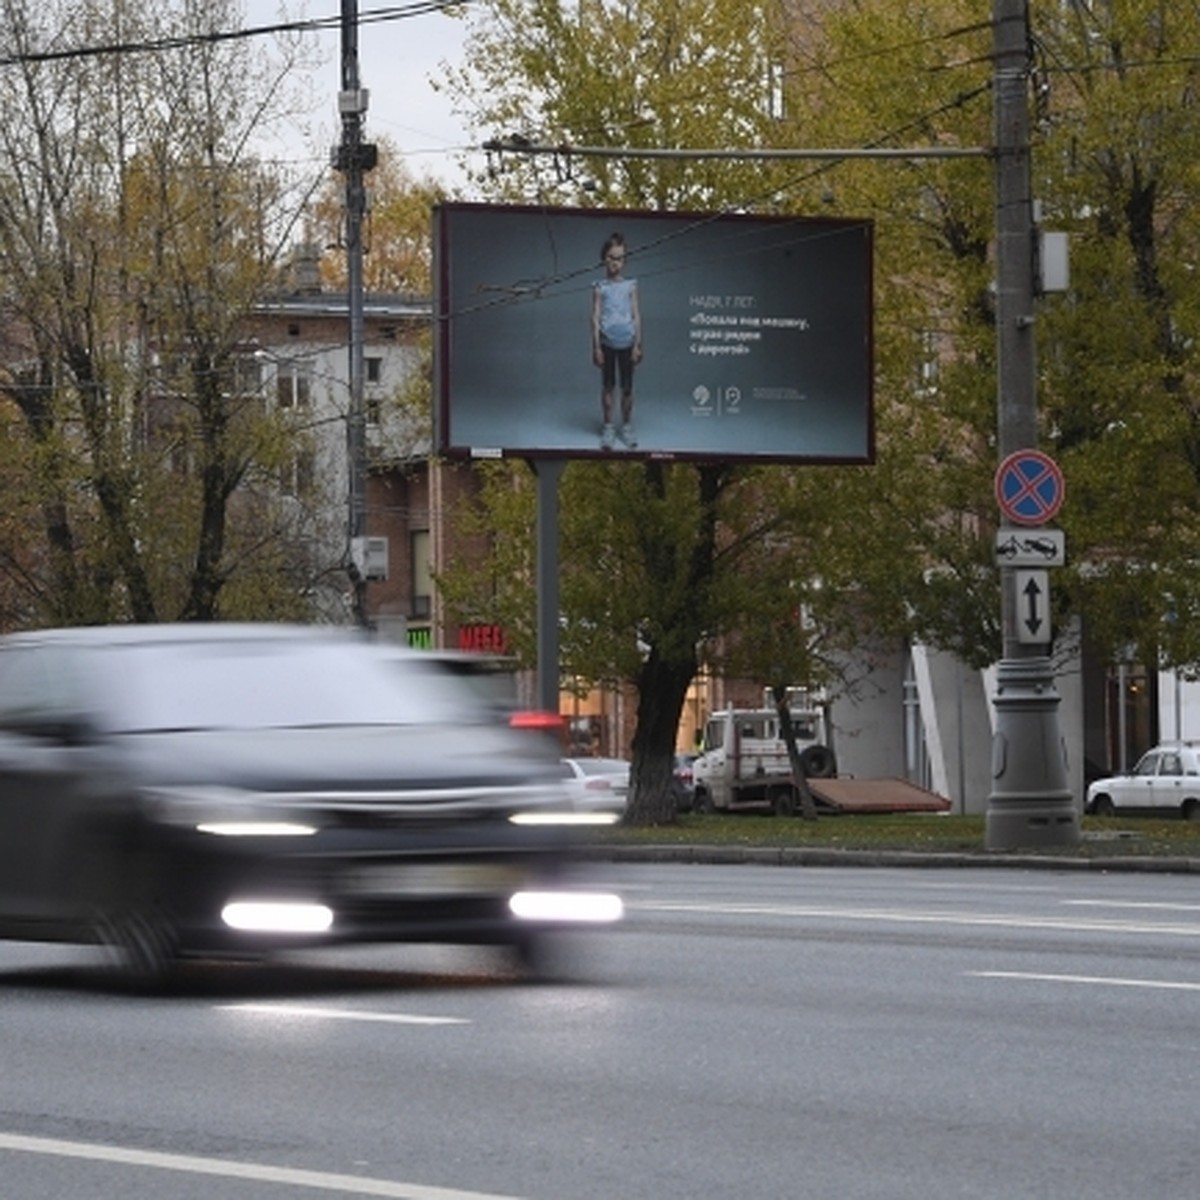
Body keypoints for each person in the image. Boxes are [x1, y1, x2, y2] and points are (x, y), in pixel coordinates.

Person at [592, 232, 642, 450]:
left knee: (628, 388)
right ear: (605, 258)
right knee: (608, 386)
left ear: (625, 260)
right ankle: (609, 427)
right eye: (612, 257)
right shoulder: (599, 287)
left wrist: (638, 344)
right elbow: (594, 317)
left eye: (620, 258)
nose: (616, 262)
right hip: (607, 344)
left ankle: (627, 426)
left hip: (627, 343)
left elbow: (636, 315)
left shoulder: (631, 285)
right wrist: (596, 347)